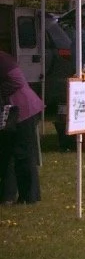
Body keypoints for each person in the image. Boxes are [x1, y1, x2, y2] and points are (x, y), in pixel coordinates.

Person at [0, 49, 44, 204]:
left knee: (22, 153)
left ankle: (29, 197)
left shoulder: (3, 59)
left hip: (23, 109)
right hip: (13, 110)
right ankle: (7, 195)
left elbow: (17, 82)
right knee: (7, 153)